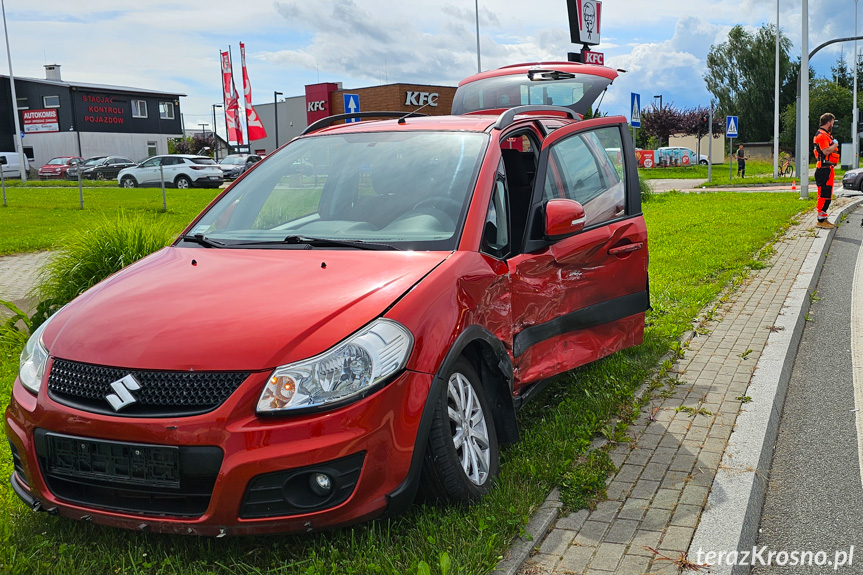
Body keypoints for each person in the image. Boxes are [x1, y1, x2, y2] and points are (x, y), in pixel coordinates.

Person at [813, 112, 840, 229]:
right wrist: (835, 145)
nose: (832, 126)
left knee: (827, 194)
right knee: (823, 194)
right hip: (823, 169)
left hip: (827, 168)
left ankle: (823, 217)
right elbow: (826, 151)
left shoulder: (825, 134)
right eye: (832, 123)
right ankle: (820, 219)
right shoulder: (822, 136)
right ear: (828, 123)